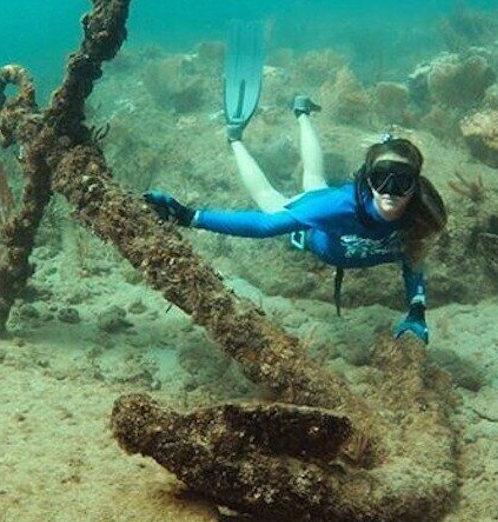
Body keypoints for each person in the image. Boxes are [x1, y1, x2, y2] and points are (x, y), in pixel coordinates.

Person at [144, 95, 447, 343]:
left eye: (402, 182)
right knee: (269, 199)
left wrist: (416, 310)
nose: (390, 192)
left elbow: (414, 259)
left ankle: (302, 111)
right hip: (316, 227)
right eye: (381, 179)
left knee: (315, 179)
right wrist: (189, 216)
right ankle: (235, 138)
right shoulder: (337, 208)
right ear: (368, 180)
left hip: (327, 208)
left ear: (416, 185)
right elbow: (265, 226)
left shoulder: (421, 214)